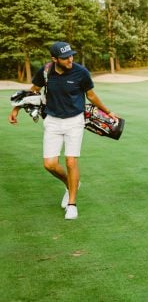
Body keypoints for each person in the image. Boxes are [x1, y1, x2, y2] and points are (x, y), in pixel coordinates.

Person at [8, 42, 117, 220]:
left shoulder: (81, 72)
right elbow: (32, 92)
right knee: (49, 164)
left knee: (71, 161)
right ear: (54, 59)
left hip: (75, 121)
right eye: (65, 57)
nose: (70, 59)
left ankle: (72, 204)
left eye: (71, 55)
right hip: (52, 121)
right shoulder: (45, 71)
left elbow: (91, 96)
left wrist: (108, 111)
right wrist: (15, 109)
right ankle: (71, 184)